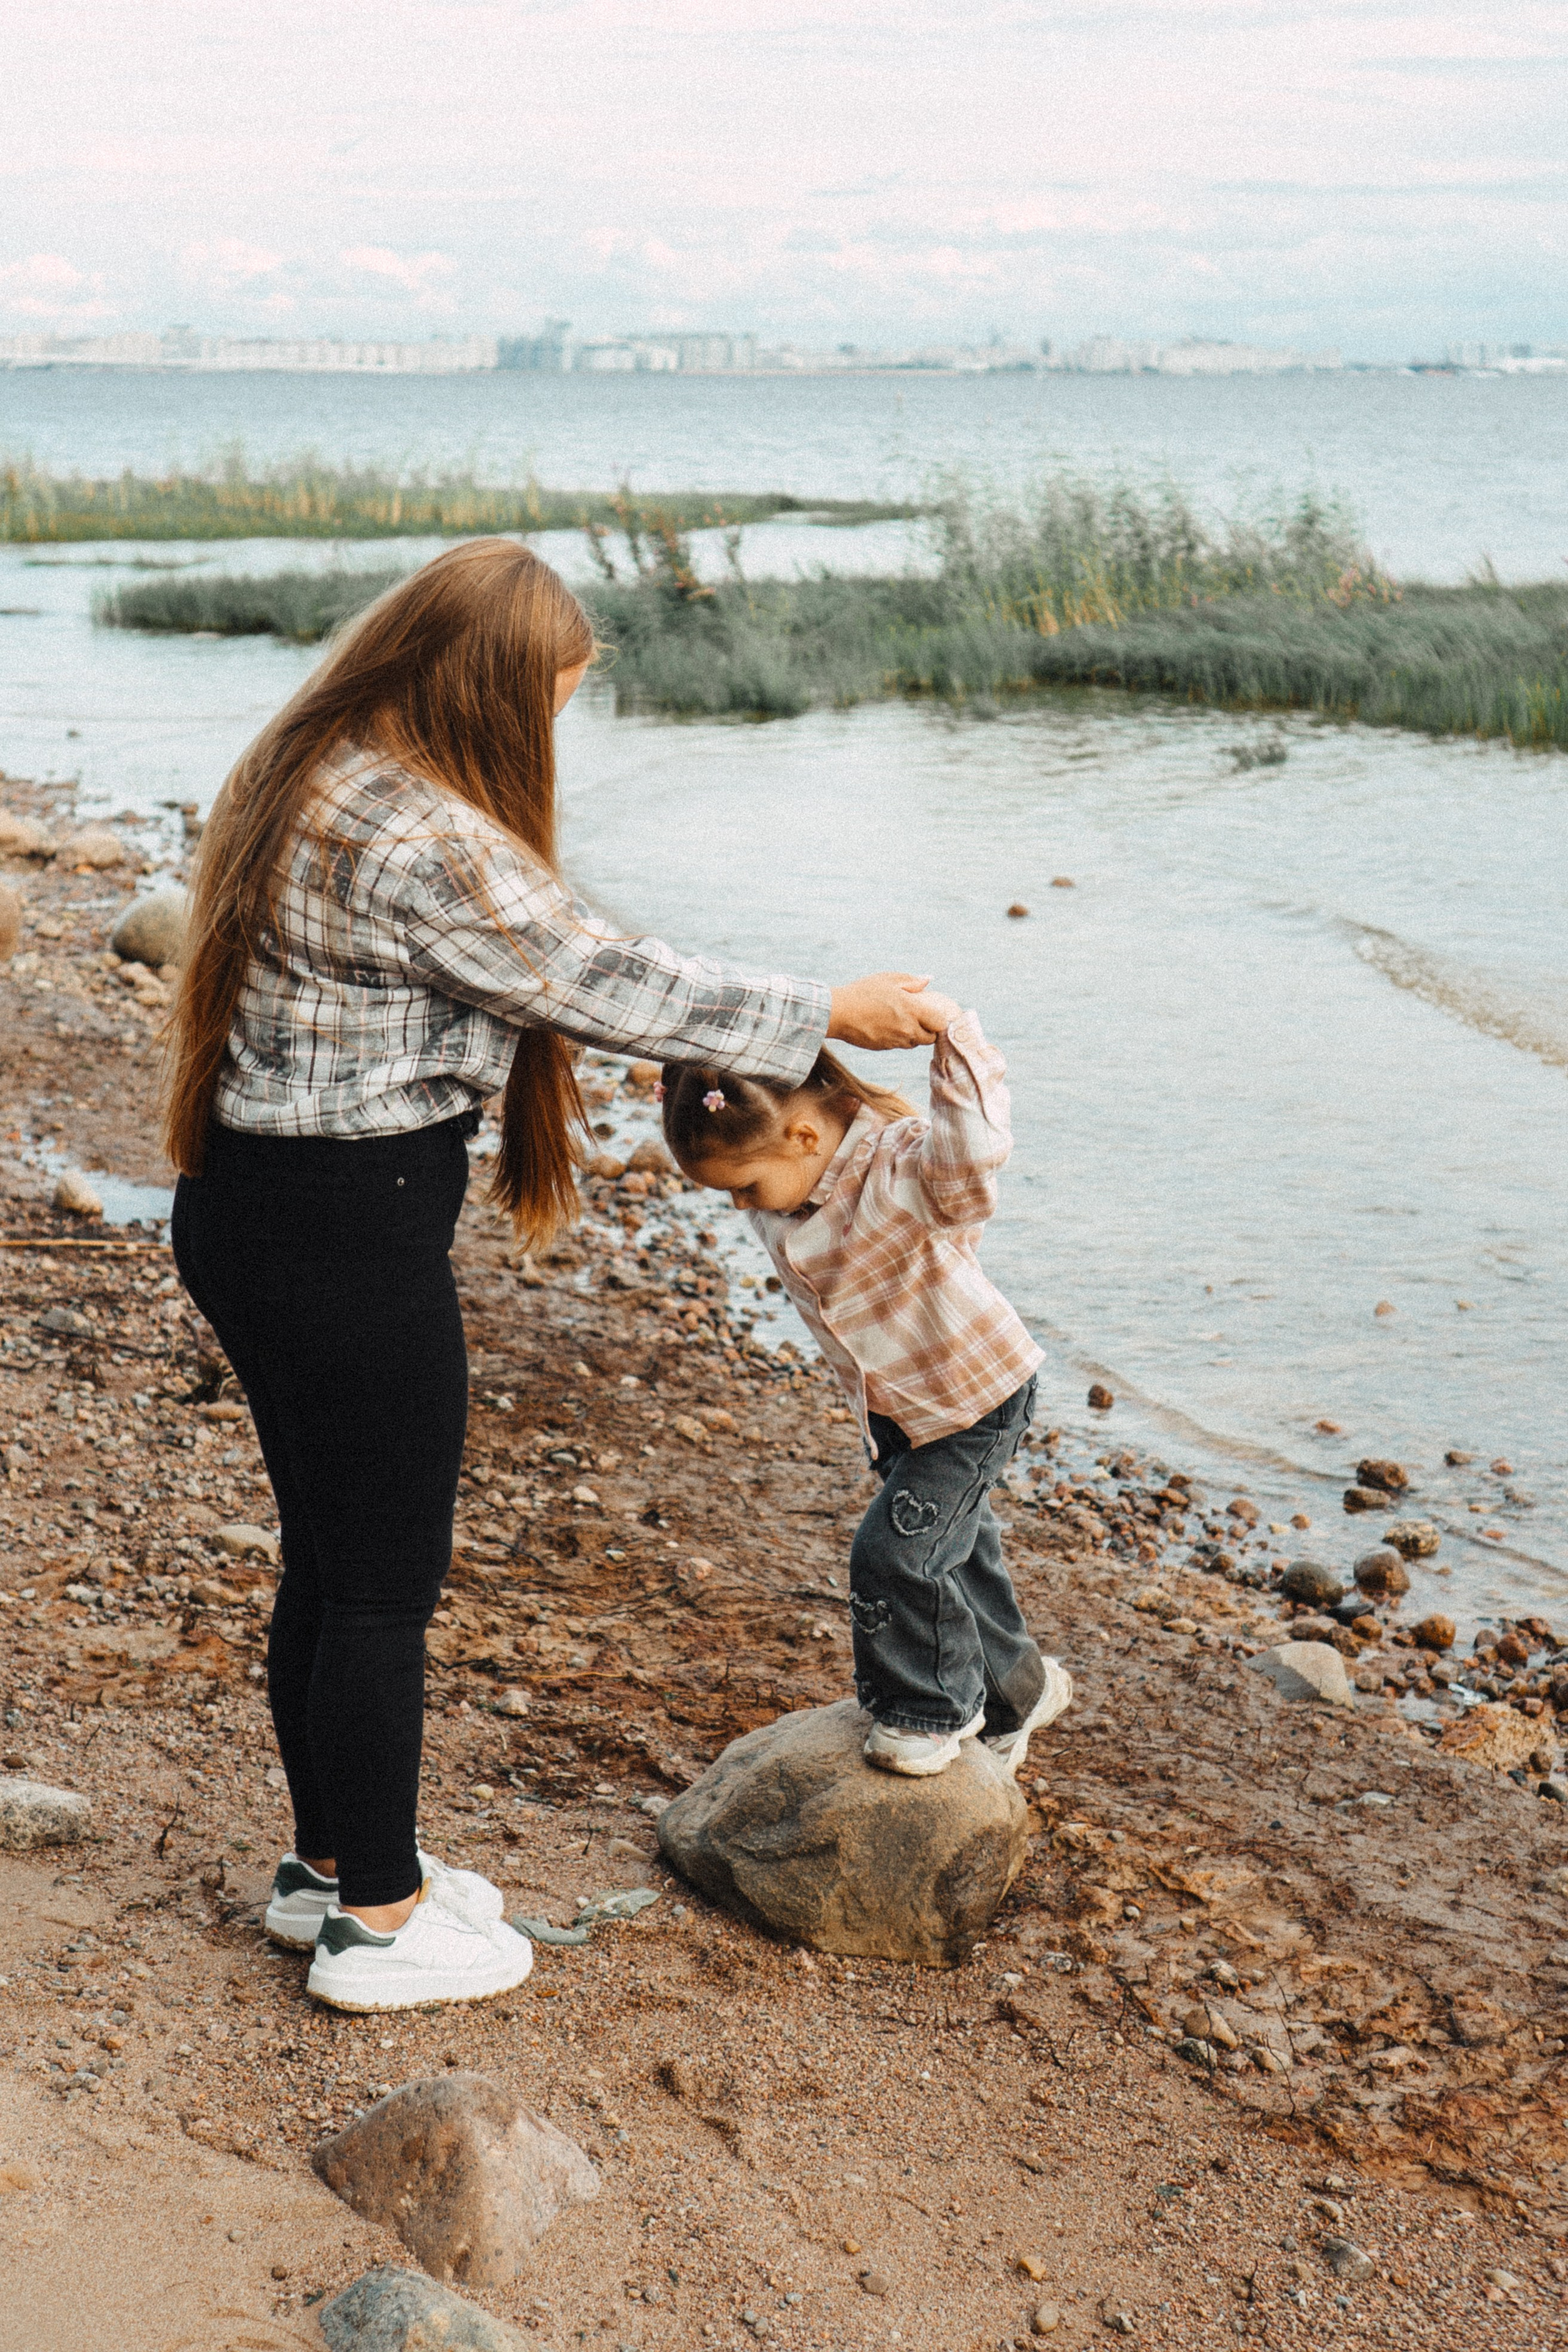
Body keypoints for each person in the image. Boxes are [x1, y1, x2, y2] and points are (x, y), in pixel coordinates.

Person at [164, 537, 950, 2012]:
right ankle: (381, 1926)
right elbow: (602, 977)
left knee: (331, 1562)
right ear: (484, 690)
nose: (550, 740)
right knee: (383, 1586)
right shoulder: (418, 833)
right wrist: (821, 1010)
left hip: (250, 1205)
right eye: (549, 708)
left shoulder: (314, 759)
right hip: (342, 1228)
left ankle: (330, 1866)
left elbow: (558, 963)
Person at [659, 1003, 1072, 1779]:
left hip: (971, 1400)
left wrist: (955, 1039)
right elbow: (735, 1097)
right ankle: (1022, 1692)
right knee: (959, 1554)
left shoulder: (903, 1172)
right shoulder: (786, 1184)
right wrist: (699, 1061)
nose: (742, 1208)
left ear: (807, 1138)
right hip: (893, 1411)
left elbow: (974, 1154)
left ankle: (929, 1712)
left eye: (745, 1187)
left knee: (895, 1555)